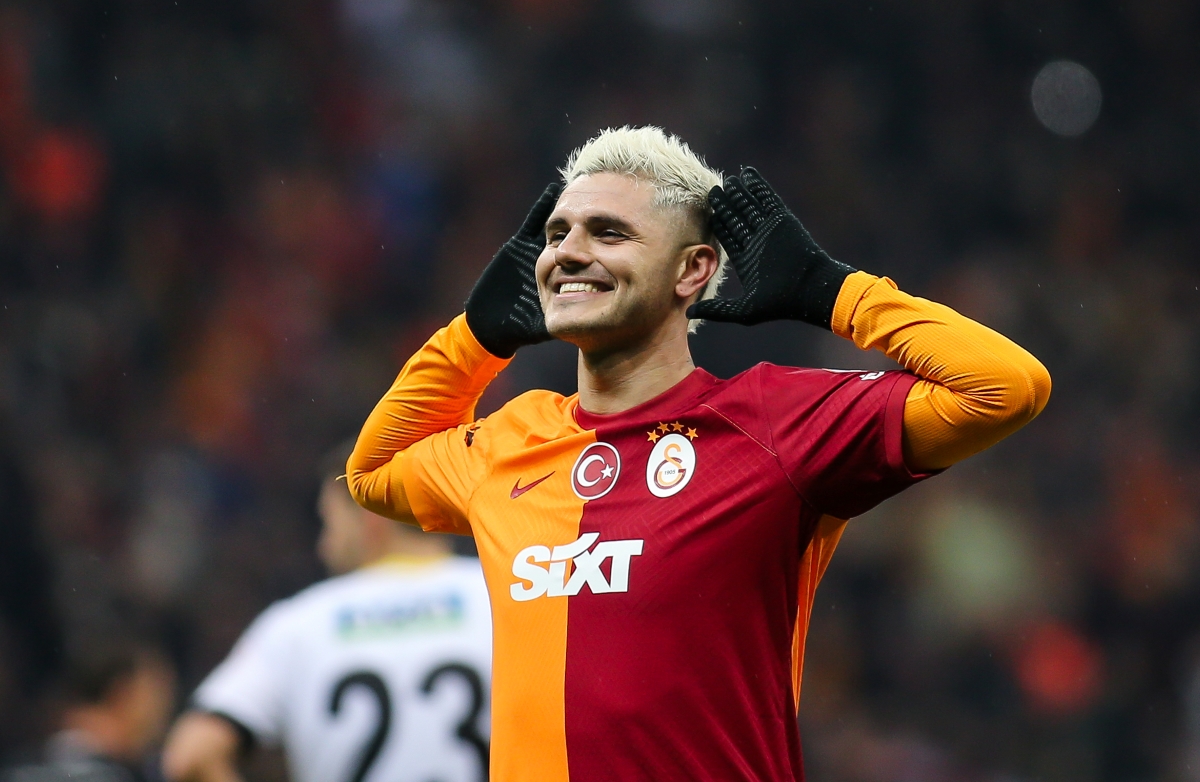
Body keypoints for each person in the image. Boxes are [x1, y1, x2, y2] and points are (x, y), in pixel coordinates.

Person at [346, 126, 1051, 781]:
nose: (567, 251)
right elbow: (372, 472)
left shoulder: (773, 422)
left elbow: (1005, 386)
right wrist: (475, 337)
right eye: (557, 233)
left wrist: (832, 291)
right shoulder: (509, 441)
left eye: (609, 232)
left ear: (693, 270)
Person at [161, 447, 492, 782]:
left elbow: (190, 756)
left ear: (371, 515)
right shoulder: (501, 593)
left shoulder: (298, 623)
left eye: (328, 522)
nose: (323, 544)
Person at [2, 636, 176, 782]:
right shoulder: (109, 774)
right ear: (122, 693)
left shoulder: (20, 767)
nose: (161, 719)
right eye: (157, 699)